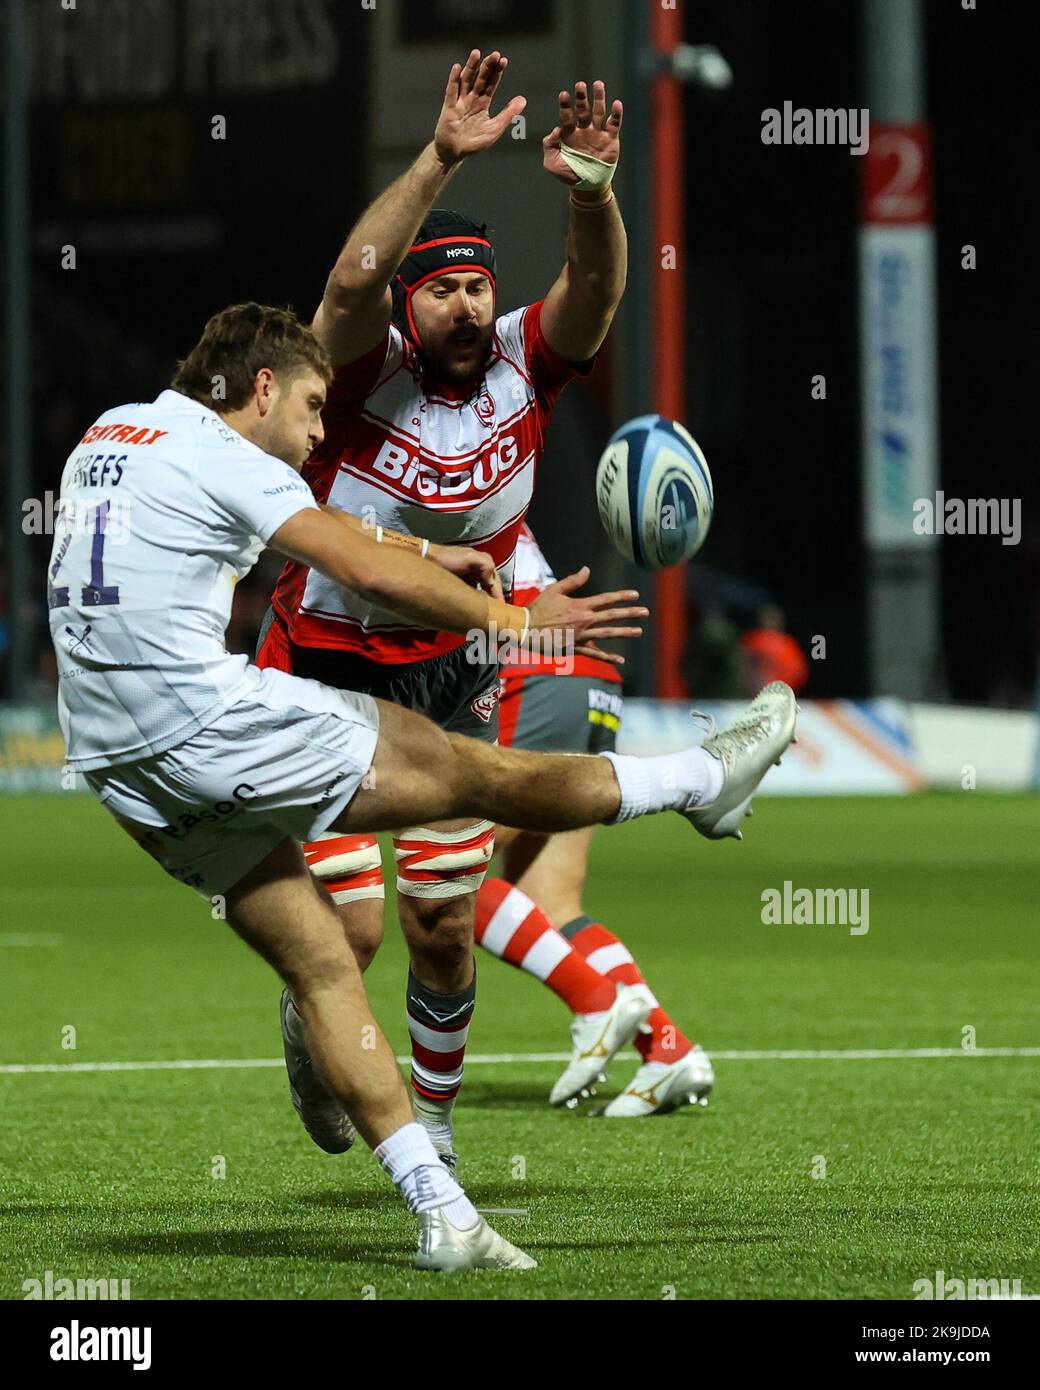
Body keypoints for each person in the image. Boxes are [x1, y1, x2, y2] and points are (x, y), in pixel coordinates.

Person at [47, 303, 796, 1269]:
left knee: (323, 961)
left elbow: (313, 537)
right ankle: (702, 780)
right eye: (313, 407)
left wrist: (426, 549)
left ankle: (443, 1216)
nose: (322, 431)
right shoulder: (227, 456)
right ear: (261, 389)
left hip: (117, 765)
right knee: (460, 772)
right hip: (203, 717)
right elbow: (356, 561)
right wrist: (516, 618)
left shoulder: (112, 431)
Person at [255, 49, 630, 1166]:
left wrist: (593, 195)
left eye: (477, 284)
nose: (466, 307)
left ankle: (437, 1129)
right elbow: (345, 282)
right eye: (442, 288)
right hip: (325, 660)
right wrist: (436, 156)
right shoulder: (361, 368)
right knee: (354, 926)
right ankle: (309, 1005)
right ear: (412, 300)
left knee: (439, 924)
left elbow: (598, 291)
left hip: (450, 672)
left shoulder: (525, 358)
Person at [475, 525, 717, 1116]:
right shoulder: (480, 462)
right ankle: (668, 1049)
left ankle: (594, 1000)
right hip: (587, 673)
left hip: (527, 669)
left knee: (447, 872)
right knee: (551, 900)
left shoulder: (400, 473)